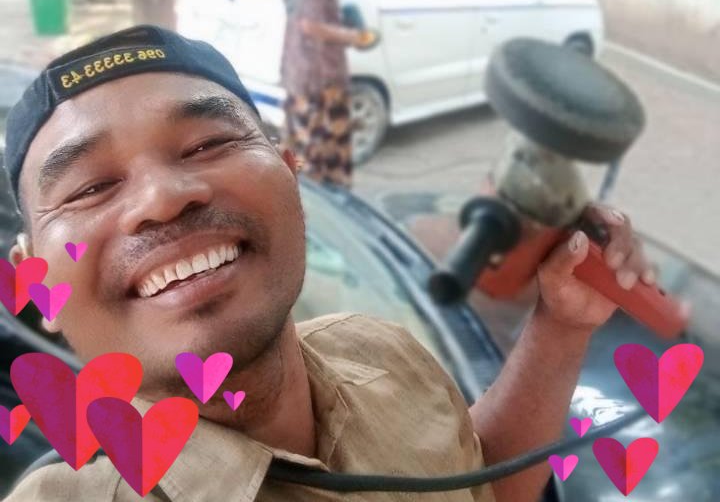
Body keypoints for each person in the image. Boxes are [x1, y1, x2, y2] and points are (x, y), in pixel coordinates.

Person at [2, 25, 662, 502]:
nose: (163, 198)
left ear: (291, 177)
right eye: (91, 187)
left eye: (207, 143)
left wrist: (562, 323)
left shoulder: (381, 350)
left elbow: (476, 478)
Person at [280, 0, 375, 189]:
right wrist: (352, 36)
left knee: (301, 146)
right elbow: (310, 24)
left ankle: (297, 198)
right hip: (320, 77)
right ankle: (322, 204)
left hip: (300, 71)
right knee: (321, 150)